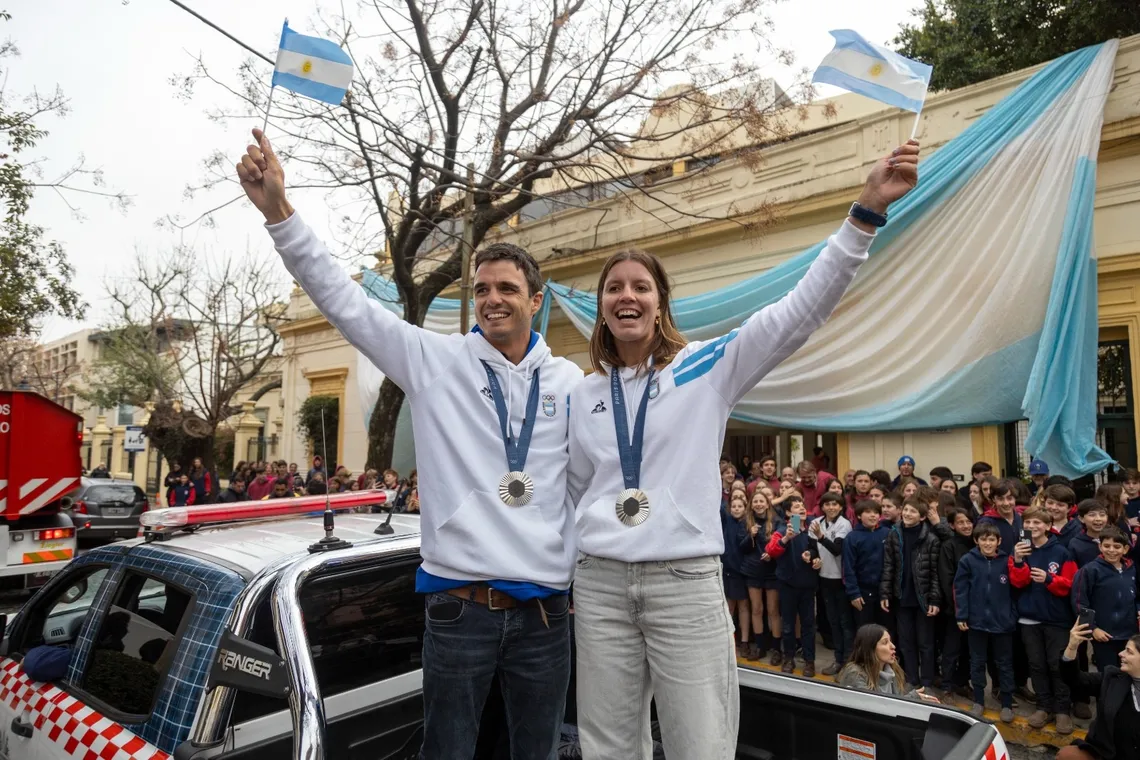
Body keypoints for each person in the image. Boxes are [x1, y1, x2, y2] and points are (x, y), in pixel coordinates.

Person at [564, 138, 918, 760]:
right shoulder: (583, 392)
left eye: (641, 286)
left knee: (701, 745)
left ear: (659, 302)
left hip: (684, 582)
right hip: (600, 586)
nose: (627, 295)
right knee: (607, 746)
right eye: (614, 286)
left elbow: (798, 313)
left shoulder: (707, 366)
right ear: (601, 305)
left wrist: (865, 212)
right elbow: (575, 490)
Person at [238, 128, 582, 760]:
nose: (492, 299)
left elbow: (591, 483)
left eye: (507, 289)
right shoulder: (434, 360)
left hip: (545, 619)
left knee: (537, 753)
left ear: (537, 300)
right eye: (481, 289)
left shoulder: (569, 382)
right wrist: (279, 213)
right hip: (460, 611)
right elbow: (346, 305)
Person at [1009, 506, 1077, 733]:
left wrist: (1049, 578)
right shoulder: (1020, 550)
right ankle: (1043, 706)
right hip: (1029, 619)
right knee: (1036, 665)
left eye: (1037, 523)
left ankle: (1062, 711)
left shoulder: (1062, 552)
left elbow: (1070, 586)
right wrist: (1018, 560)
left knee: (1057, 665)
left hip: (1057, 619)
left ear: (1048, 526)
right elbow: (1017, 583)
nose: (1031, 527)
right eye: (1027, 523)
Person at [954, 521, 1016, 722]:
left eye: (991, 539)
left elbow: (1016, 590)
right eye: (983, 539)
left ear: (999, 541)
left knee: (1004, 663)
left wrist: (1011, 615)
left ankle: (1007, 703)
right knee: (977, 662)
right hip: (976, 622)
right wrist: (962, 615)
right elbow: (960, 589)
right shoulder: (968, 561)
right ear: (976, 540)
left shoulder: (1008, 561)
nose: (988, 543)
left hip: (1002, 623)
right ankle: (979, 701)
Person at [879, 498, 942, 691]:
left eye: (913, 511)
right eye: (905, 510)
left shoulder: (931, 538)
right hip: (901, 597)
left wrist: (934, 599)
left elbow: (934, 572)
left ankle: (927, 682)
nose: (907, 514)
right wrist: (885, 592)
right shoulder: (894, 534)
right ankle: (912, 679)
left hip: (923, 598)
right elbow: (888, 565)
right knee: (906, 642)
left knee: (926, 643)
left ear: (922, 516)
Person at [1058, 623, 1140, 760]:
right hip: (1108, 755)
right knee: (1067, 755)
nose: (1121, 654)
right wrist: (1072, 647)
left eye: (1129, 651)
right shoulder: (1111, 678)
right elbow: (1074, 679)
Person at [767, 499, 823, 676]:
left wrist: (814, 557)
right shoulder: (783, 531)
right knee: (788, 625)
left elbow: (818, 552)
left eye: (803, 506)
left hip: (808, 586)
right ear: (789, 514)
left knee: (808, 626)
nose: (802, 509)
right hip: (788, 586)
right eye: (797, 508)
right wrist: (786, 539)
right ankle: (788, 658)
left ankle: (809, 661)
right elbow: (771, 551)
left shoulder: (812, 531)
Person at [1072, 526, 1140, 672]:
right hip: (1104, 635)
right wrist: (1093, 628)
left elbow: (1136, 596)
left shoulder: (1132, 569)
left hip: (1129, 634)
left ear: (1126, 549)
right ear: (1100, 546)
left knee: (1129, 673)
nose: (1111, 550)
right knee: (1108, 675)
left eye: (1117, 546)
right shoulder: (1090, 570)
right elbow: (1080, 602)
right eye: (1107, 546)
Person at [837, 624, 940, 702]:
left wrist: (911, 700)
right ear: (870, 649)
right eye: (885, 642)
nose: (893, 646)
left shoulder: (892, 670)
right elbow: (875, 708)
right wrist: (910, 698)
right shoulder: (854, 674)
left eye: (890, 641)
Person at [811, 492, 854, 676]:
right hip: (824, 577)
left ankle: (848, 661)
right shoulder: (816, 523)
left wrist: (821, 537)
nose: (831, 507)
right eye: (827, 504)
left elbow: (837, 550)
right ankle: (838, 660)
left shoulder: (844, 524)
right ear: (822, 506)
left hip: (841, 579)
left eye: (835, 504)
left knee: (845, 623)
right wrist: (812, 557)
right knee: (833, 621)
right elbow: (811, 547)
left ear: (841, 507)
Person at [740, 489, 783, 663]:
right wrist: (751, 535)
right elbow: (741, 547)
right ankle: (759, 646)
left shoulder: (777, 521)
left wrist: (771, 553)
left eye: (761, 501)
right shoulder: (746, 522)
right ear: (751, 504)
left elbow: (782, 542)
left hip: (772, 571)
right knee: (757, 609)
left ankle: (776, 648)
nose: (758, 504)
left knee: (773, 610)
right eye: (755, 501)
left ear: (767, 504)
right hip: (753, 570)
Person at [938, 508, 975, 700]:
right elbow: (947, 580)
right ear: (952, 525)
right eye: (961, 522)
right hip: (956, 608)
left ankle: (962, 682)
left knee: (969, 650)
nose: (966, 526)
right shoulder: (949, 546)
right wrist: (958, 607)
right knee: (951, 649)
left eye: (969, 521)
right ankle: (947, 686)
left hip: (976, 609)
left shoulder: (978, 544)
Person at [844, 500, 890, 629]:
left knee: (885, 628)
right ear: (859, 516)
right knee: (865, 630)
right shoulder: (852, 537)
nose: (873, 515)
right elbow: (848, 568)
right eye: (868, 512)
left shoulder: (887, 533)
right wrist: (854, 593)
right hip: (863, 592)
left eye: (876, 512)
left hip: (884, 591)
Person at [721, 492, 754, 656]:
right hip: (727, 570)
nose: (736, 508)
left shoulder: (748, 523)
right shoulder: (726, 521)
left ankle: (745, 641)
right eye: (733, 506)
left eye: (740, 506)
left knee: (744, 606)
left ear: (745, 508)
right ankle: (728, 639)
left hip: (742, 570)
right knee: (729, 606)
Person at [977, 478, 1024, 555]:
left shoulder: (1021, 518)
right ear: (993, 499)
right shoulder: (986, 522)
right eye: (1000, 499)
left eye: (1009, 498)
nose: (1006, 503)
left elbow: (1026, 546)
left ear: (1015, 498)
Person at [1071, 499, 1111, 568]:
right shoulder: (1076, 543)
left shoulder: (1116, 538)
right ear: (1081, 518)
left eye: (1102, 515)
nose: (1098, 519)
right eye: (1092, 515)